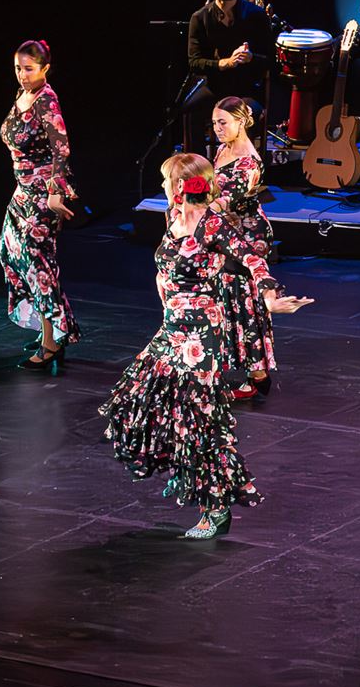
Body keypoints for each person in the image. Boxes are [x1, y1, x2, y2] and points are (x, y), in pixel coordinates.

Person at [100, 154, 311, 539]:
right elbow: (165, 267)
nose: (163, 186)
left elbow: (253, 260)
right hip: (173, 325)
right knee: (136, 397)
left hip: (200, 333)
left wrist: (270, 298)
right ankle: (177, 461)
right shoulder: (173, 216)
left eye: (167, 180)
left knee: (198, 420)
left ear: (181, 185)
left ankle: (214, 508)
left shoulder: (213, 225)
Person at [0, 39, 81, 372]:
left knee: (38, 265)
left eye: (29, 69)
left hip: (42, 195)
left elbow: (61, 149)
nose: (22, 75)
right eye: (18, 68)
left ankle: (52, 342)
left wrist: (55, 192)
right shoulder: (23, 95)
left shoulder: (47, 100)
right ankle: (52, 328)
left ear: (45, 69)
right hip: (22, 191)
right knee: (9, 252)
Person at [209, 97, 276, 401]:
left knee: (244, 301)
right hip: (227, 230)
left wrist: (192, 209)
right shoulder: (223, 149)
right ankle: (238, 366)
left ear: (241, 122)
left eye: (223, 122)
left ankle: (258, 373)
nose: (217, 128)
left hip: (247, 233)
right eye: (214, 123)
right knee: (228, 298)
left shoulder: (248, 161)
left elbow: (228, 201)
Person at [185, 0, 272, 152]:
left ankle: (240, 165)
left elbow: (271, 60)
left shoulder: (256, 15)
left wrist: (251, 58)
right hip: (214, 87)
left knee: (243, 113)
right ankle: (197, 166)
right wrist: (224, 63)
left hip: (246, 89)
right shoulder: (200, 18)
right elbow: (194, 62)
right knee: (191, 108)